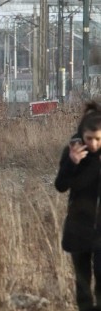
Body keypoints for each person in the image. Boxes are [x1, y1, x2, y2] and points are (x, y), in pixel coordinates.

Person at [55, 101, 101, 311]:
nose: (93, 144)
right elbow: (61, 186)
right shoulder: (73, 154)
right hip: (79, 226)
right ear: (81, 134)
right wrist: (72, 162)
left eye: (98, 139)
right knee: (82, 286)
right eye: (89, 138)